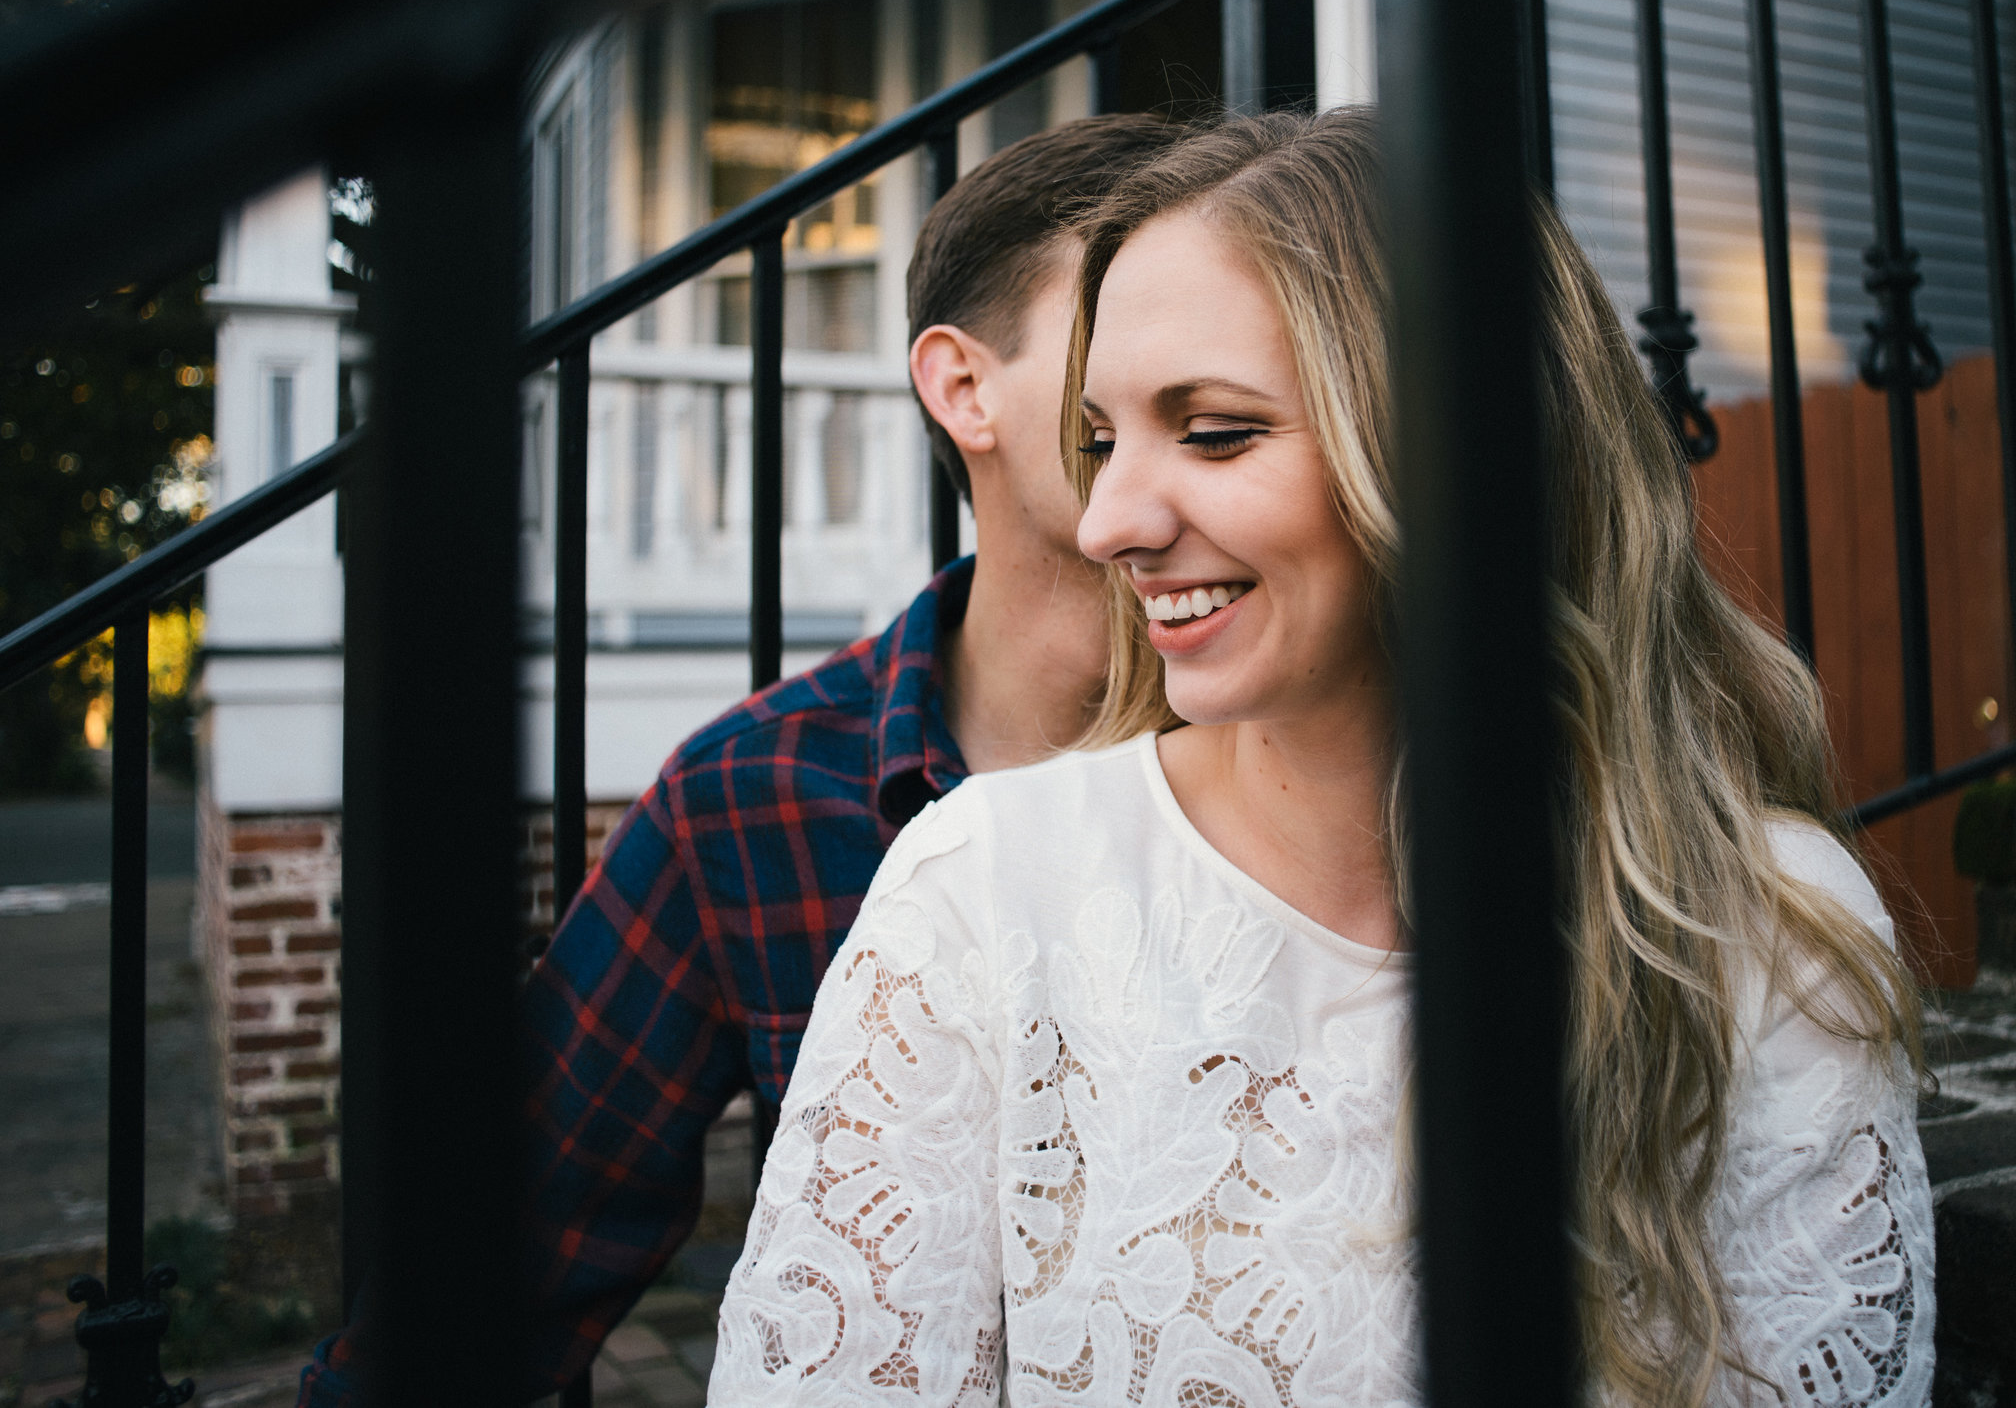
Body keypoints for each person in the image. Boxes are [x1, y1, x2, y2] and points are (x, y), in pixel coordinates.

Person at [707, 109, 1933, 1408]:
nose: (1115, 518)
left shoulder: (1767, 937)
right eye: (1100, 437)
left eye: (1217, 431)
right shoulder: (982, 895)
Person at [292, 114, 1187, 1405]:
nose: (1177, 368)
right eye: (1120, 321)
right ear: (963, 387)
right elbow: (494, 1274)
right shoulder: (754, 800)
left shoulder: (1316, 752)